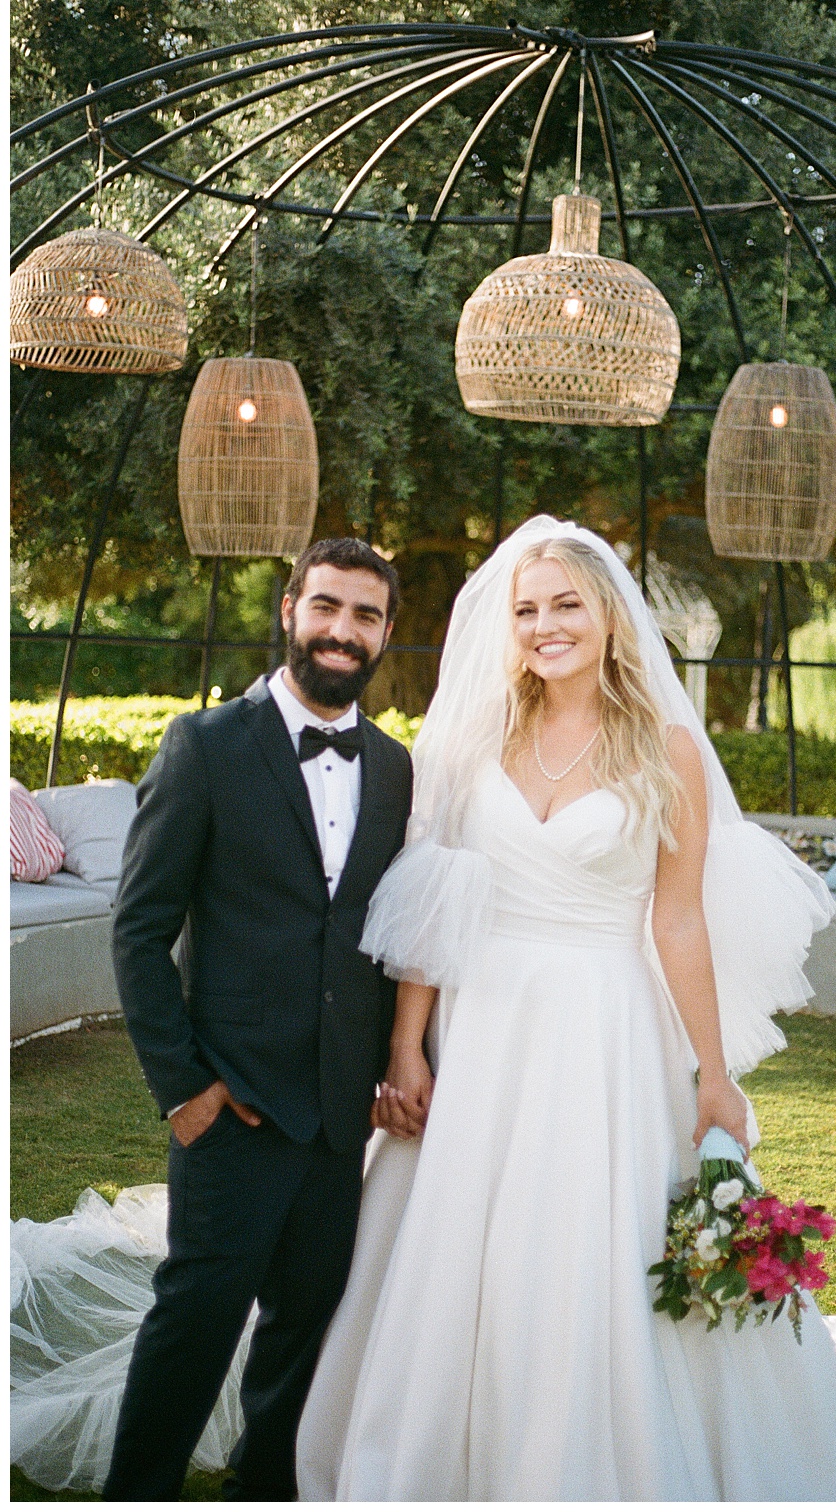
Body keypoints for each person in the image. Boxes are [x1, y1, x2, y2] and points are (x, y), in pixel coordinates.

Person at [286, 518, 836, 1498]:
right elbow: (437, 903)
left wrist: (714, 1072)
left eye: (566, 605)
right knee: (455, 1250)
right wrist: (407, 1048)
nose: (546, 625)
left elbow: (676, 923)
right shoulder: (476, 737)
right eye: (528, 609)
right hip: (483, 1023)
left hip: (601, 1027)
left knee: (588, 1247)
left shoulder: (663, 746)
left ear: (610, 617)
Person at [99, 539, 413, 1500]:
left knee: (306, 1327)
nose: (342, 631)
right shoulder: (204, 746)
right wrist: (183, 1091)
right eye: (326, 607)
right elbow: (140, 930)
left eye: (364, 615)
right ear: (289, 610)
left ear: (386, 632)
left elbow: (397, 933)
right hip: (228, 1103)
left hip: (335, 1115)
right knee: (195, 1321)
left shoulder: (400, 769)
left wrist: (399, 1069)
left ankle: (264, 1490)